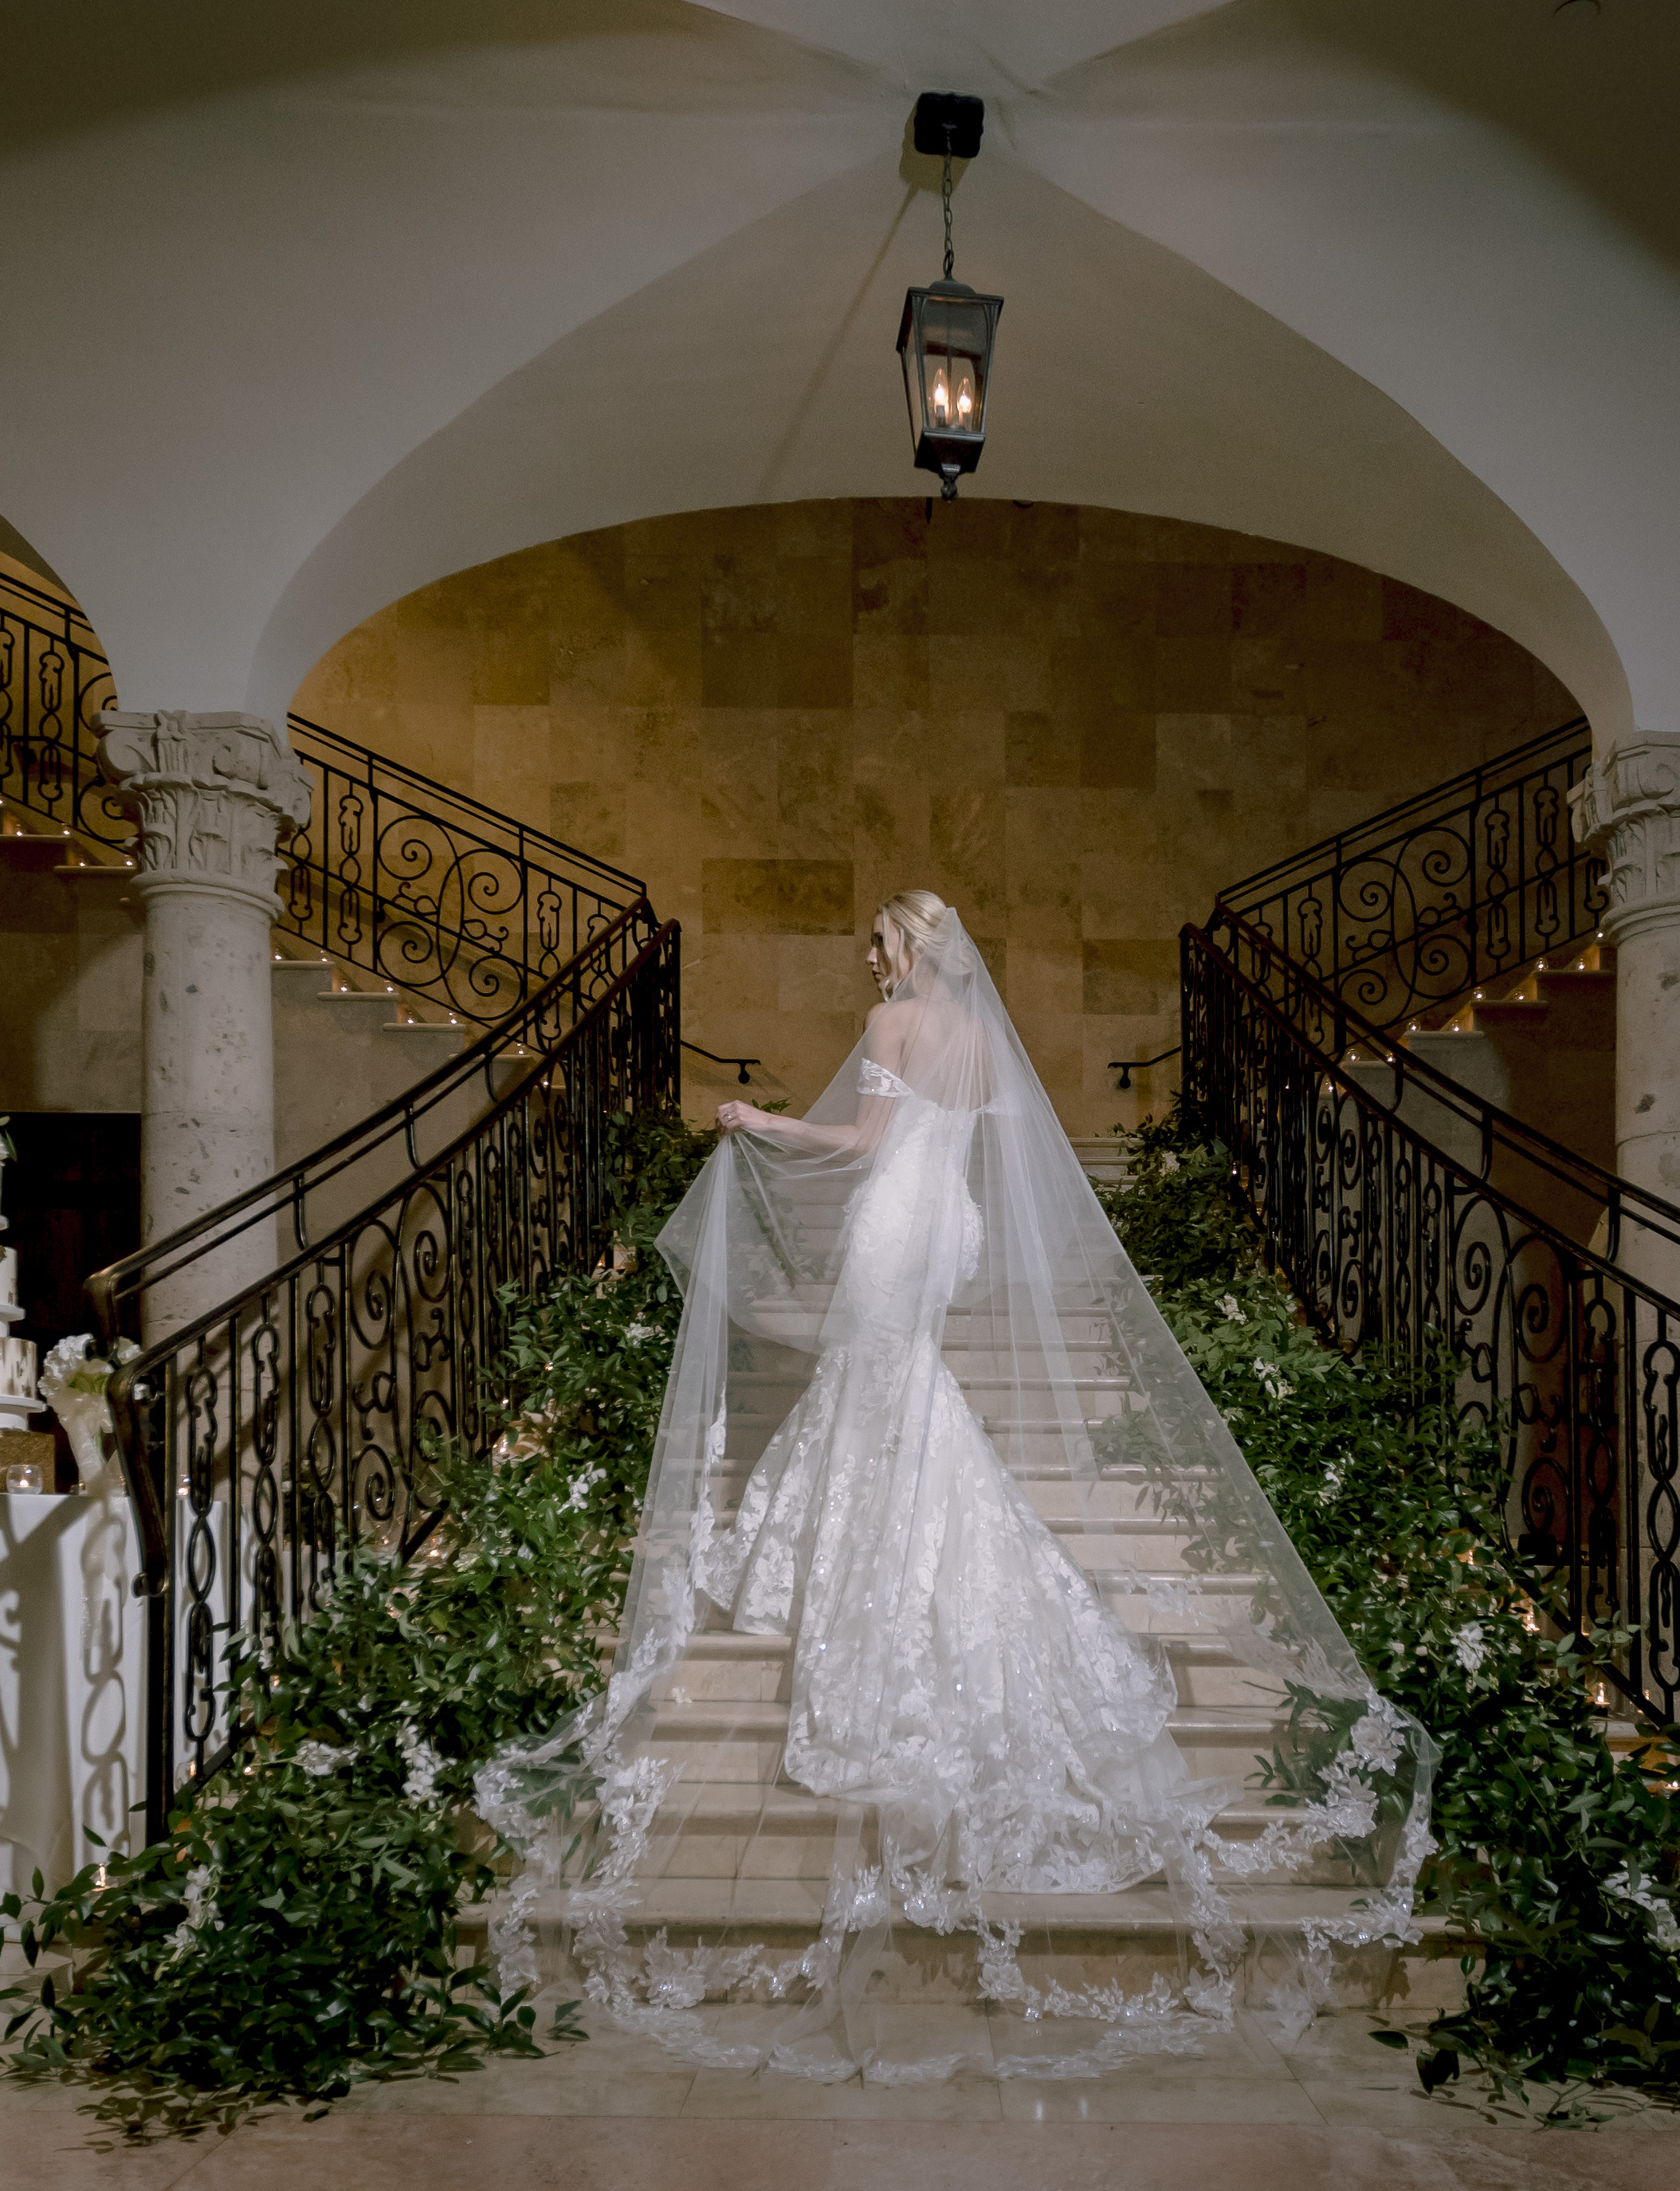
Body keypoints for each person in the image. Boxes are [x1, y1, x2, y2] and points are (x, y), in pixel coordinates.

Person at [479, 890, 1429, 2080]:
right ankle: (905, 1530)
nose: (870, 963)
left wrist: (762, 1120)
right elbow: (961, 1142)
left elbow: (866, 1148)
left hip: (892, 1218)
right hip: (950, 1224)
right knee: (897, 1383)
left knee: (877, 1379)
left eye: (876, 945)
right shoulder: (978, 1036)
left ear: (904, 945)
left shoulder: (890, 1030)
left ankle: (871, 1548)